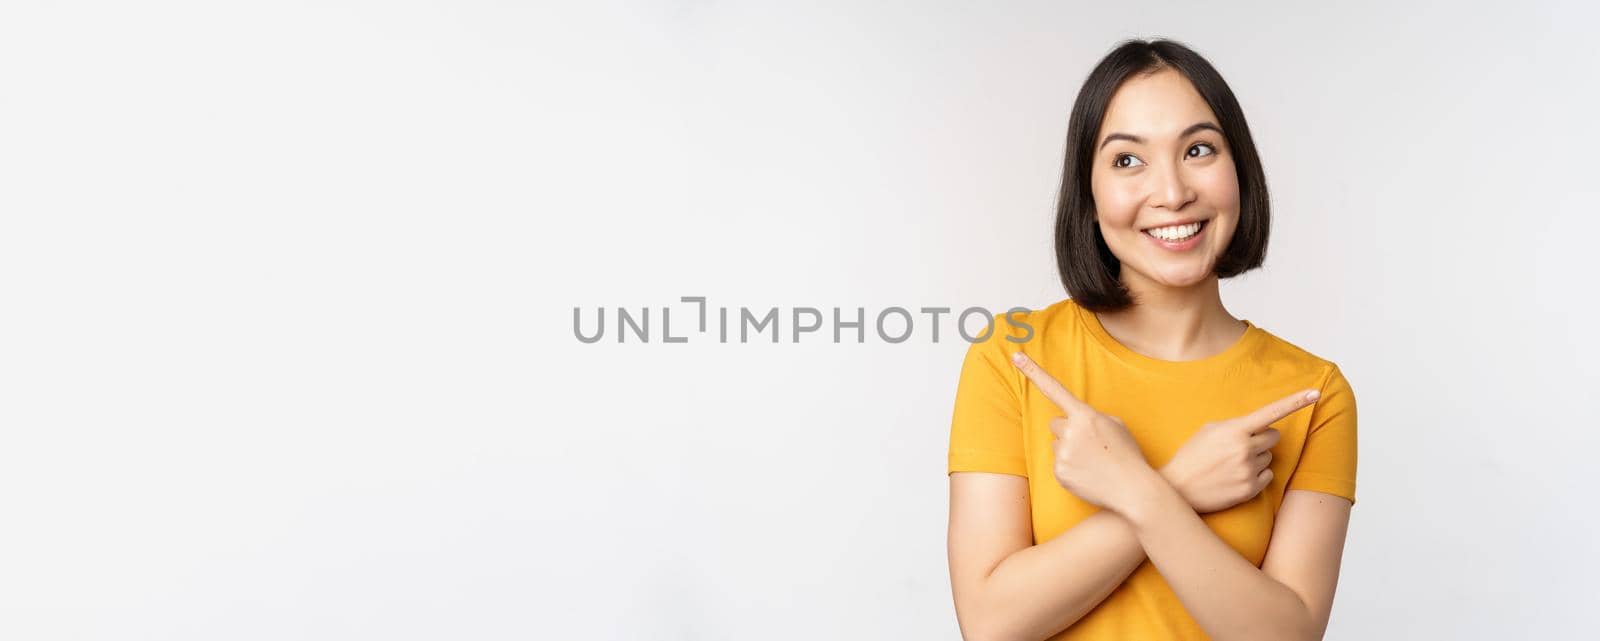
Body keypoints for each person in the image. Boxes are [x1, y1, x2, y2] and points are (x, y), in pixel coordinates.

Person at [946, 38, 1357, 641]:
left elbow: (1286, 636)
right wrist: (1181, 485)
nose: (1171, 192)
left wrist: (1140, 492)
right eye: (1127, 161)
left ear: (1239, 168)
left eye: (1198, 150)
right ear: (1087, 194)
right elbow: (990, 624)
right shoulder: (1013, 357)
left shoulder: (1312, 393)